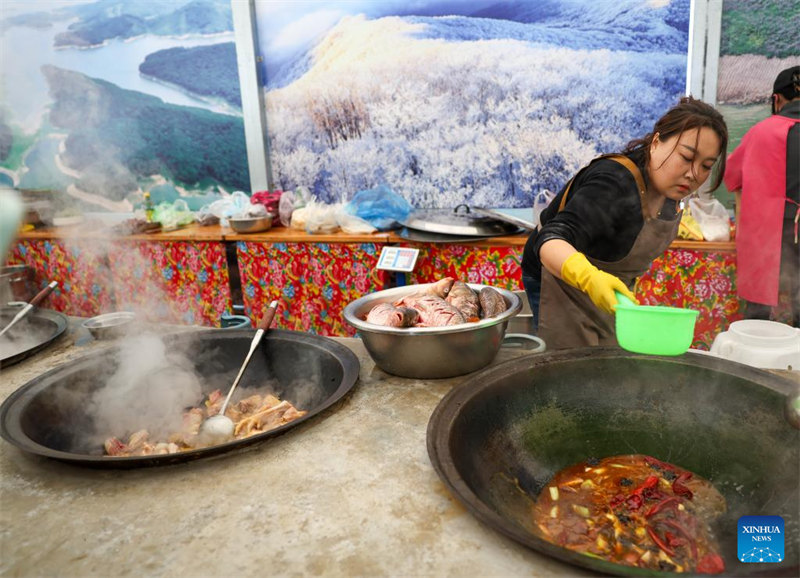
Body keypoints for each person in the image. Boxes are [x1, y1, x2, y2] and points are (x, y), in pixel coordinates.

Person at [521, 96, 728, 350]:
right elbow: (550, 240)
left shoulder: (670, 192)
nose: (694, 174)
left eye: (706, 166)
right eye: (686, 157)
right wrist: (589, 278)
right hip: (559, 282)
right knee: (569, 362)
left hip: (607, 288)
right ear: (655, 143)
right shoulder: (614, 181)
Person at [723, 65, 799, 327]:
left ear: (776, 100)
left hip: (769, 236)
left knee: (758, 313)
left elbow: (732, 177)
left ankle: (754, 348)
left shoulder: (760, 132)